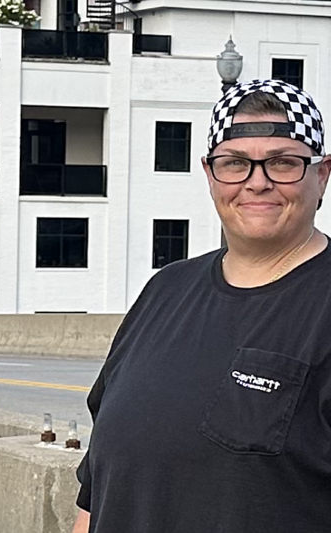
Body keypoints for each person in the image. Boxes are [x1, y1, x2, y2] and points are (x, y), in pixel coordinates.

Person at [72, 79, 331, 533]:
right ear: (210, 174)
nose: (258, 182)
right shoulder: (164, 291)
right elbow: (97, 490)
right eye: (235, 164)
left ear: (322, 174)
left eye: (283, 163)